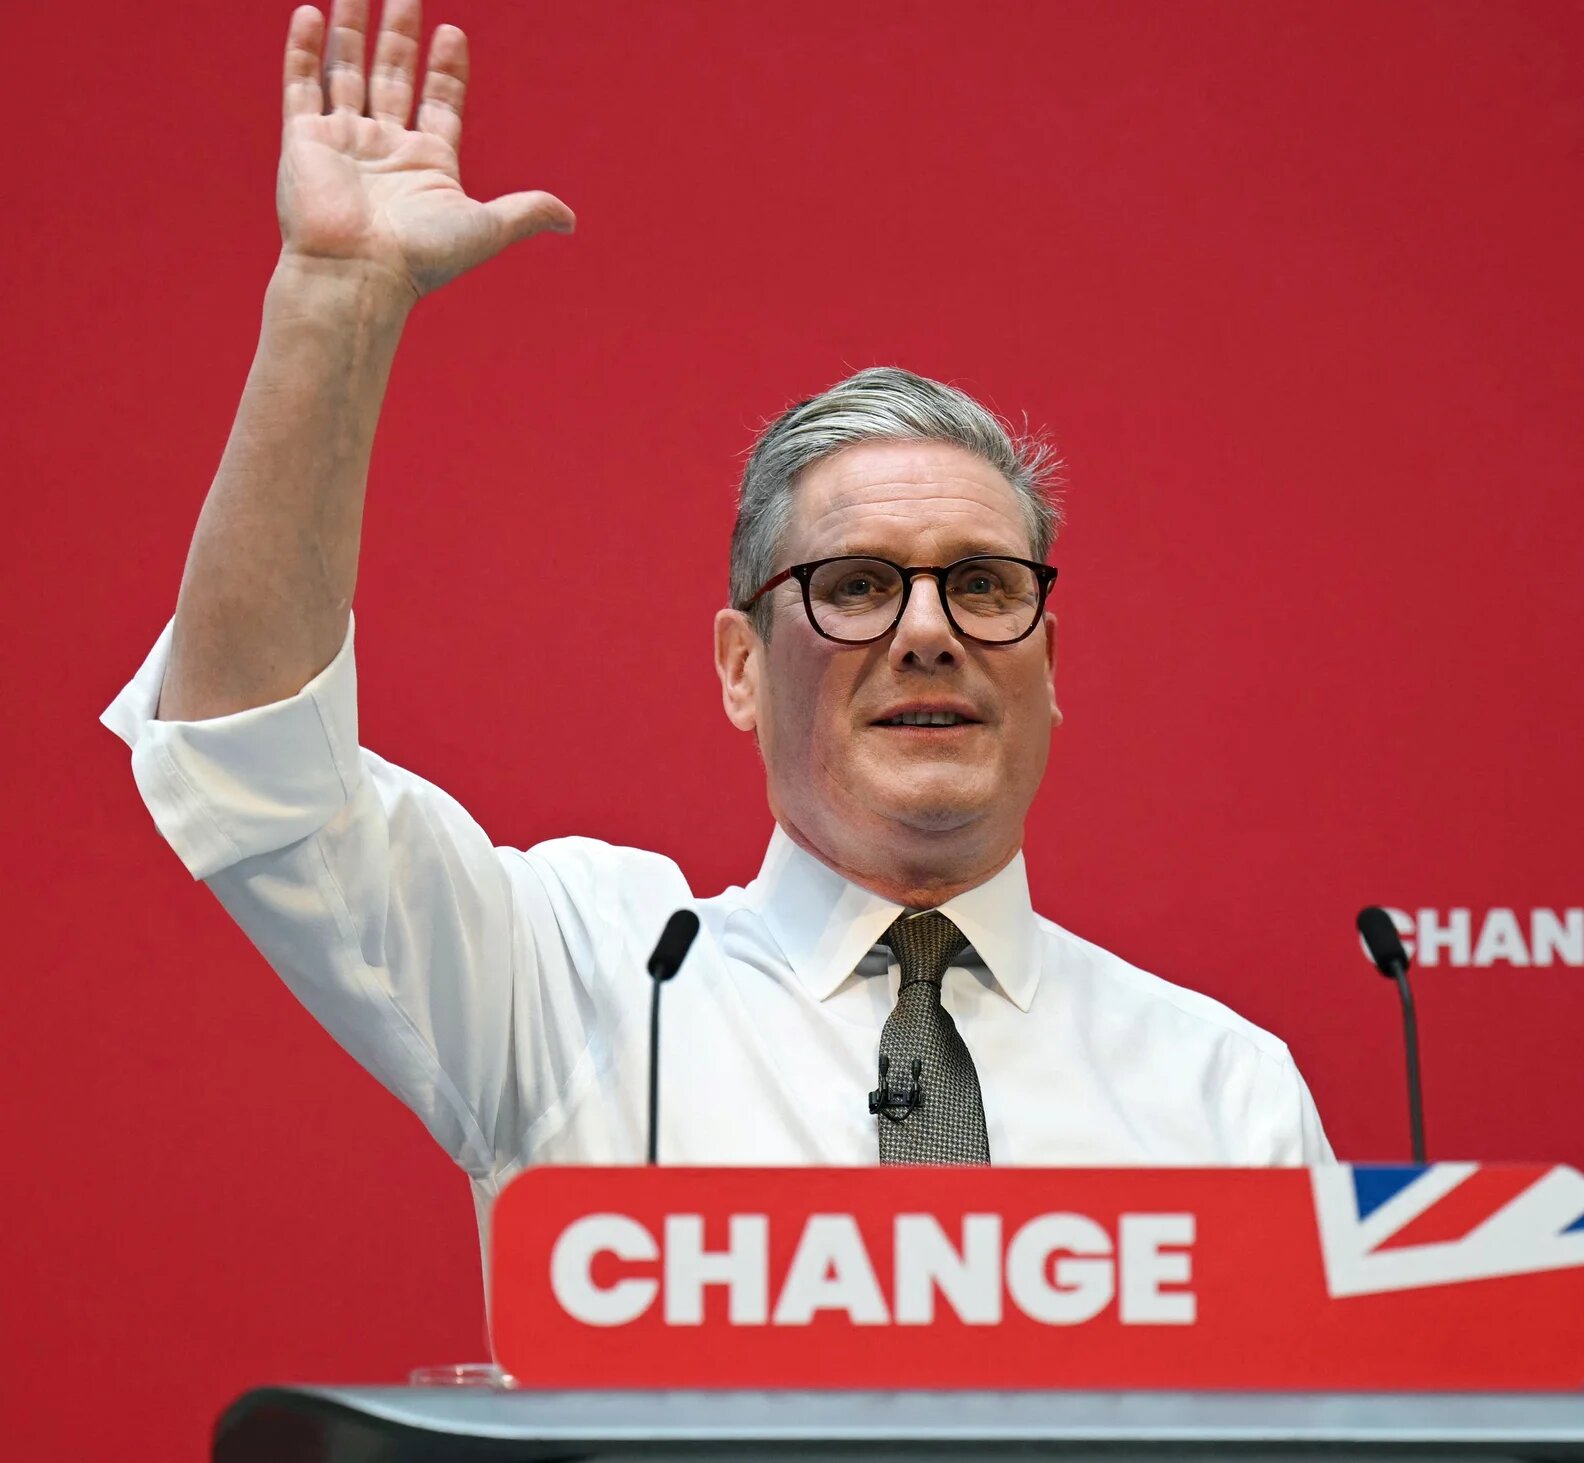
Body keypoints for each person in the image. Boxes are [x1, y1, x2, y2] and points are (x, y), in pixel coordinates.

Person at [99, 0, 1334, 1244]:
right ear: (742, 666)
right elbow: (248, 755)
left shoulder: (1223, 1093)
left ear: (1048, 662)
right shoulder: (588, 976)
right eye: (854, 585)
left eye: (982, 585)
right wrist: (336, 300)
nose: (927, 631)